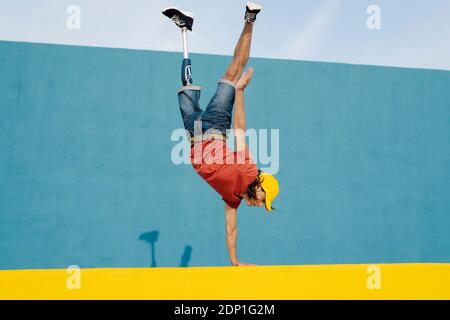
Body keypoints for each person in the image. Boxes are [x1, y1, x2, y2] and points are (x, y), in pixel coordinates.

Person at [163, 2, 279, 267]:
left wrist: (235, 261)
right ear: (260, 187)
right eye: (264, 200)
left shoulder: (233, 199)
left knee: (186, 85)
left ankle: (184, 28)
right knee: (233, 71)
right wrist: (239, 94)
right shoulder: (249, 171)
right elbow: (239, 131)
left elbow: (231, 230)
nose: (261, 205)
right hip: (216, 126)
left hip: (193, 132)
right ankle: (250, 19)